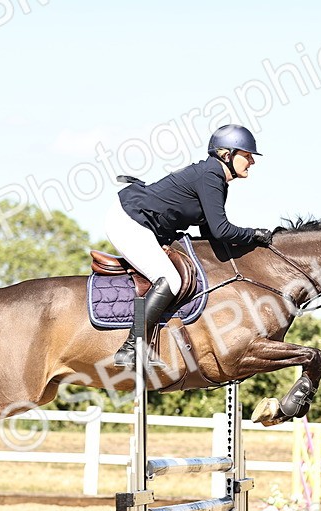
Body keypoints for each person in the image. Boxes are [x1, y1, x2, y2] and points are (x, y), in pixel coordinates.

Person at [104, 123, 274, 366]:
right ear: (226, 154)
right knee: (170, 279)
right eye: (247, 156)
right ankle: (131, 348)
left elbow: (211, 234)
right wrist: (254, 235)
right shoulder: (210, 176)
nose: (252, 162)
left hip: (141, 222)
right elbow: (221, 229)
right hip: (128, 220)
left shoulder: (215, 178)